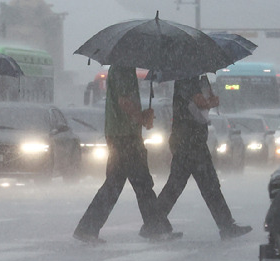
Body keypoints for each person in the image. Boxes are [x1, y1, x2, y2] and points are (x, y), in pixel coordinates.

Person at [73, 65, 182, 243]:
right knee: (141, 184)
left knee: (117, 184)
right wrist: (140, 117)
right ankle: (156, 228)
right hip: (125, 136)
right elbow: (124, 102)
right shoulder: (122, 70)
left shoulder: (123, 69)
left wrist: (142, 116)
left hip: (122, 135)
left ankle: (88, 228)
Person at [156, 75, 252, 240]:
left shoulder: (194, 77)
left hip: (189, 140)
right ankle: (226, 226)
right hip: (189, 142)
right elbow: (199, 101)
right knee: (207, 185)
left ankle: (153, 224)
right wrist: (211, 103)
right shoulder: (188, 78)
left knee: (180, 185)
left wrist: (209, 98)